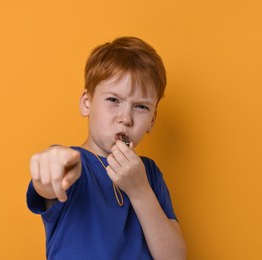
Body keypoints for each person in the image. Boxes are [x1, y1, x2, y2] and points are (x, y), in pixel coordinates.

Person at [27, 36, 187, 259]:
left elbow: (174, 257)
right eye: (113, 100)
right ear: (87, 102)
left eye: (141, 106)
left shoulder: (149, 173)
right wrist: (51, 163)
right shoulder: (75, 165)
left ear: (152, 120)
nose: (126, 118)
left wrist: (140, 191)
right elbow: (51, 181)